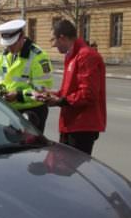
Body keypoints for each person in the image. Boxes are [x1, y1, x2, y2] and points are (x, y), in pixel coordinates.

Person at [39, 19, 106, 155]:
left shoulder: (85, 56)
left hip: (82, 126)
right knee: (65, 167)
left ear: (62, 38)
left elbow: (88, 94)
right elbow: (70, 90)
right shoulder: (73, 55)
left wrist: (60, 101)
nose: (53, 46)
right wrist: (53, 94)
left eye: (53, 40)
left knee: (73, 170)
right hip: (72, 124)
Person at [0, 19, 53, 133]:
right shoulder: (4, 56)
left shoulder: (38, 57)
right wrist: (0, 91)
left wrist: (18, 95)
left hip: (33, 111)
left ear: (22, 37)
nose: (9, 48)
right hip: (12, 110)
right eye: (7, 45)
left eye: (12, 44)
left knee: (32, 149)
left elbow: (42, 90)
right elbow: (2, 81)